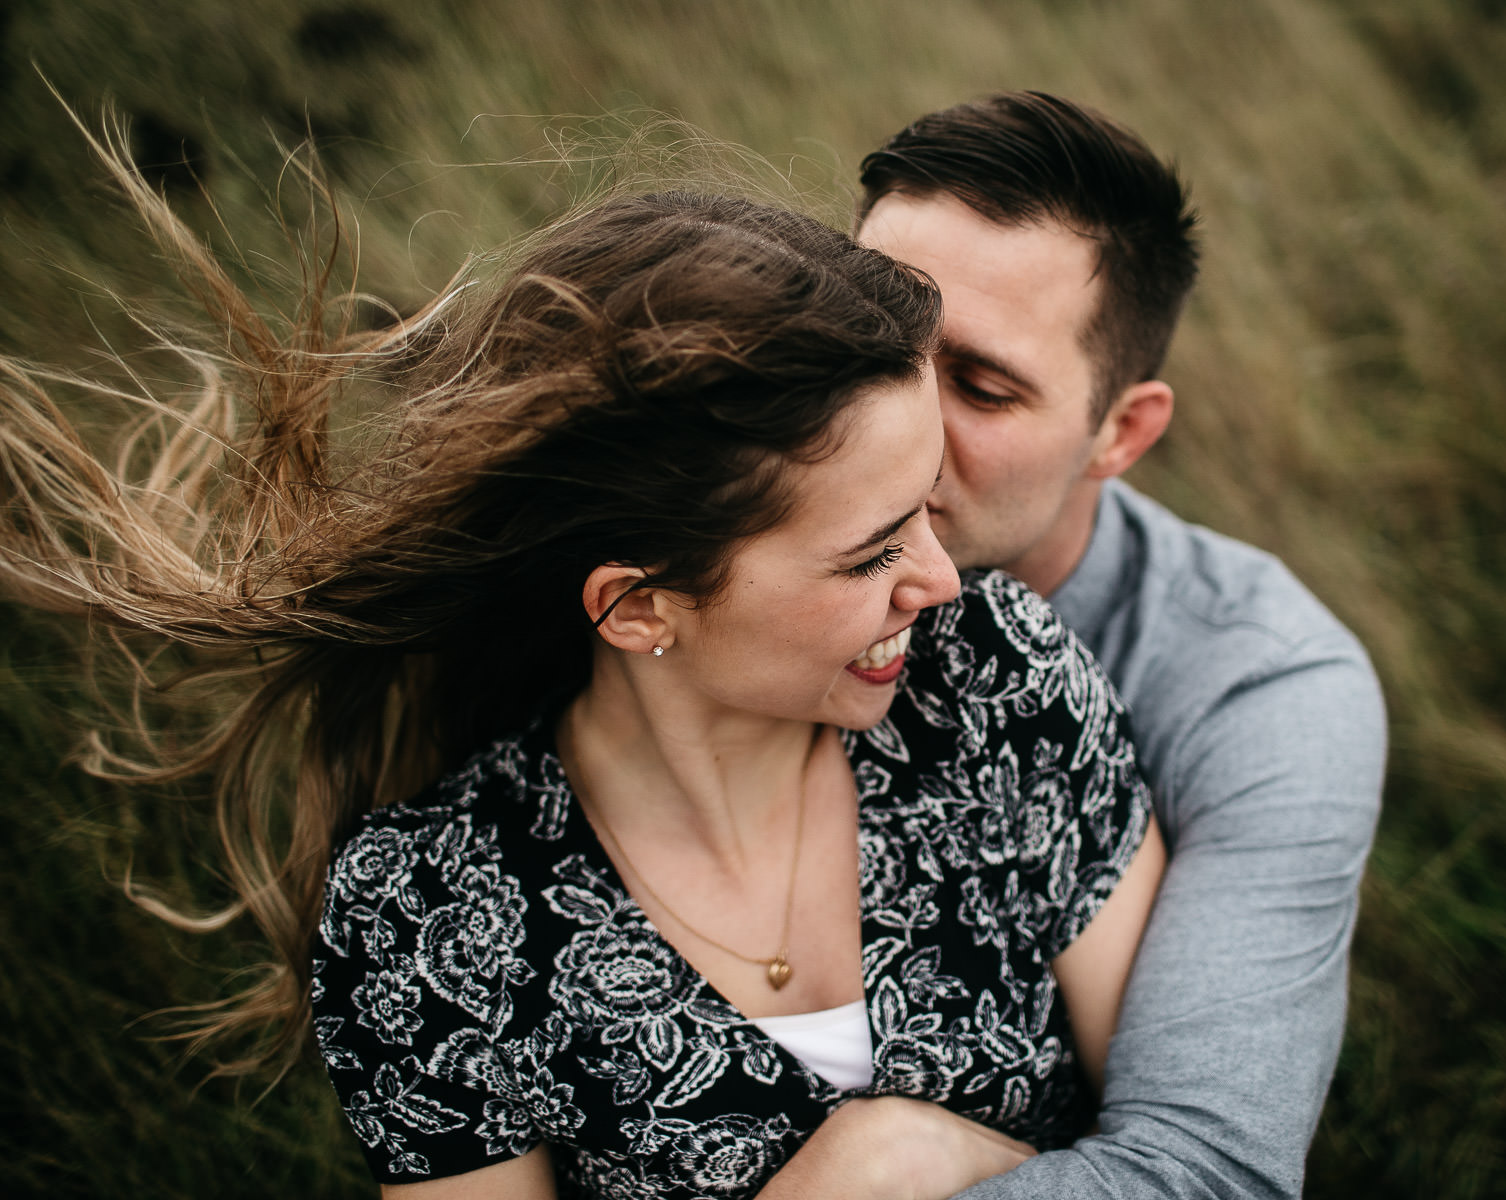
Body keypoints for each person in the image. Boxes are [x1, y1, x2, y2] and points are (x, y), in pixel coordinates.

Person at [0, 129, 1165, 1199]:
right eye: (870, 554)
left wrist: (938, 1161)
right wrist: (856, 1179)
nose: (942, 582)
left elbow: (1194, 1151)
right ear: (640, 607)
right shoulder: (431, 913)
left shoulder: (997, 683)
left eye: (924, 509)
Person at [766, 93, 1388, 1198]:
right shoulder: (689, 543)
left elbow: (1209, 1172)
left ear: (1121, 431)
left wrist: (894, 1165)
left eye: (980, 386)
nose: (898, 418)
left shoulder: (1263, 688)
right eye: (877, 341)